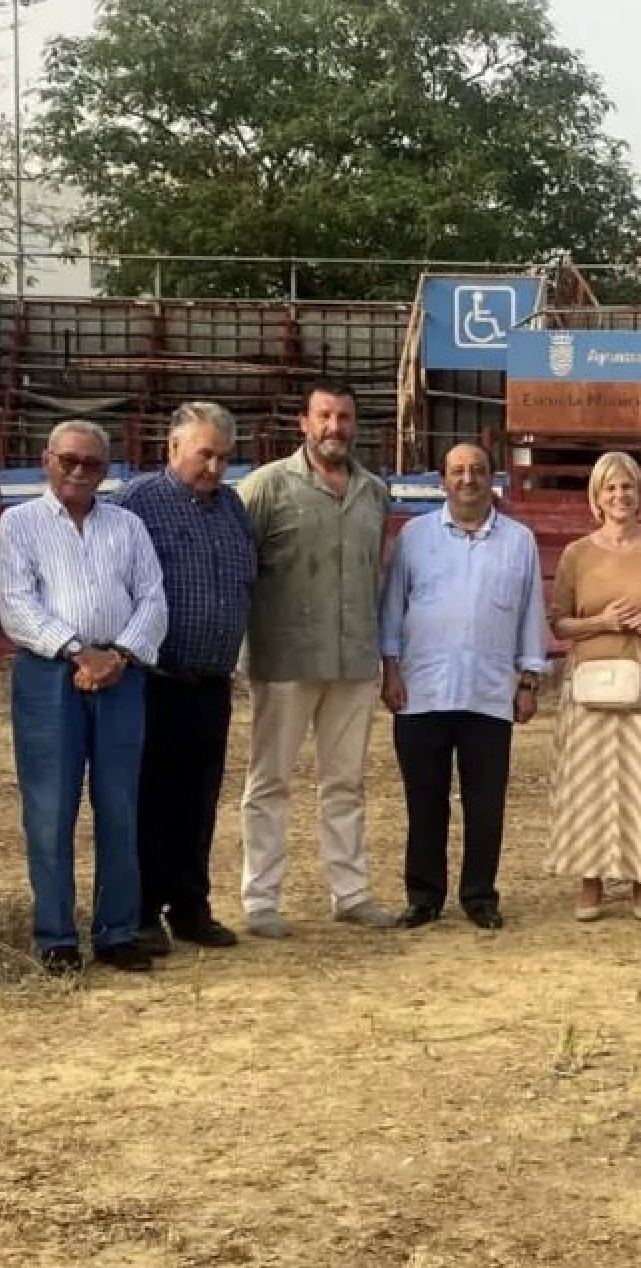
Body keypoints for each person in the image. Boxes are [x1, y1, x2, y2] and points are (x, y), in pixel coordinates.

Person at [0, 419, 168, 974]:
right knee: (50, 809)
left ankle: (117, 931)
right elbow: (18, 606)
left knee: (120, 806)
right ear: (47, 460)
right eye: (68, 459)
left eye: (91, 463)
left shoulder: (128, 526)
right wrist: (76, 652)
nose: (78, 471)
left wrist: (117, 656)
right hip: (50, 677)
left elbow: (153, 600)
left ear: (107, 470)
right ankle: (57, 934)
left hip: (121, 675)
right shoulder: (18, 524)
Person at [237, 380, 395, 938]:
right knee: (269, 782)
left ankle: (350, 893)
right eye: (324, 416)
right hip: (283, 658)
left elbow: (375, 570)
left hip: (353, 660)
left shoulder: (373, 492)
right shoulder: (265, 487)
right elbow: (238, 570)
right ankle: (260, 899)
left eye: (345, 418)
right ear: (304, 422)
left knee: (346, 783)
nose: (335, 428)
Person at [380, 442, 547, 930]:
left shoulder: (519, 541)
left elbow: (530, 613)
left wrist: (529, 680)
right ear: (442, 480)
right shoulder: (414, 536)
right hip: (422, 690)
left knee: (485, 800)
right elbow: (393, 608)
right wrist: (390, 669)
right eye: (458, 471)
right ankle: (424, 896)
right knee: (424, 800)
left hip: (489, 691)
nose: (467, 479)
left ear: (491, 478)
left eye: (477, 470)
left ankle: (479, 895)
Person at [114, 401, 257, 954]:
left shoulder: (232, 509)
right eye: (205, 455)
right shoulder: (137, 506)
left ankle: (191, 906)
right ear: (173, 448)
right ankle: (144, 909)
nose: (215, 467)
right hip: (155, 679)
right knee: (151, 799)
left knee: (199, 800)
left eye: (224, 457)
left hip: (213, 681)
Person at [547, 451, 641, 922]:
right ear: (597, 495)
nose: (619, 495)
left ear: (639, 492)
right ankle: (590, 880)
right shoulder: (576, 555)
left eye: (627, 486)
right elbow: (560, 624)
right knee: (588, 787)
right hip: (589, 685)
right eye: (610, 488)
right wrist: (601, 622)